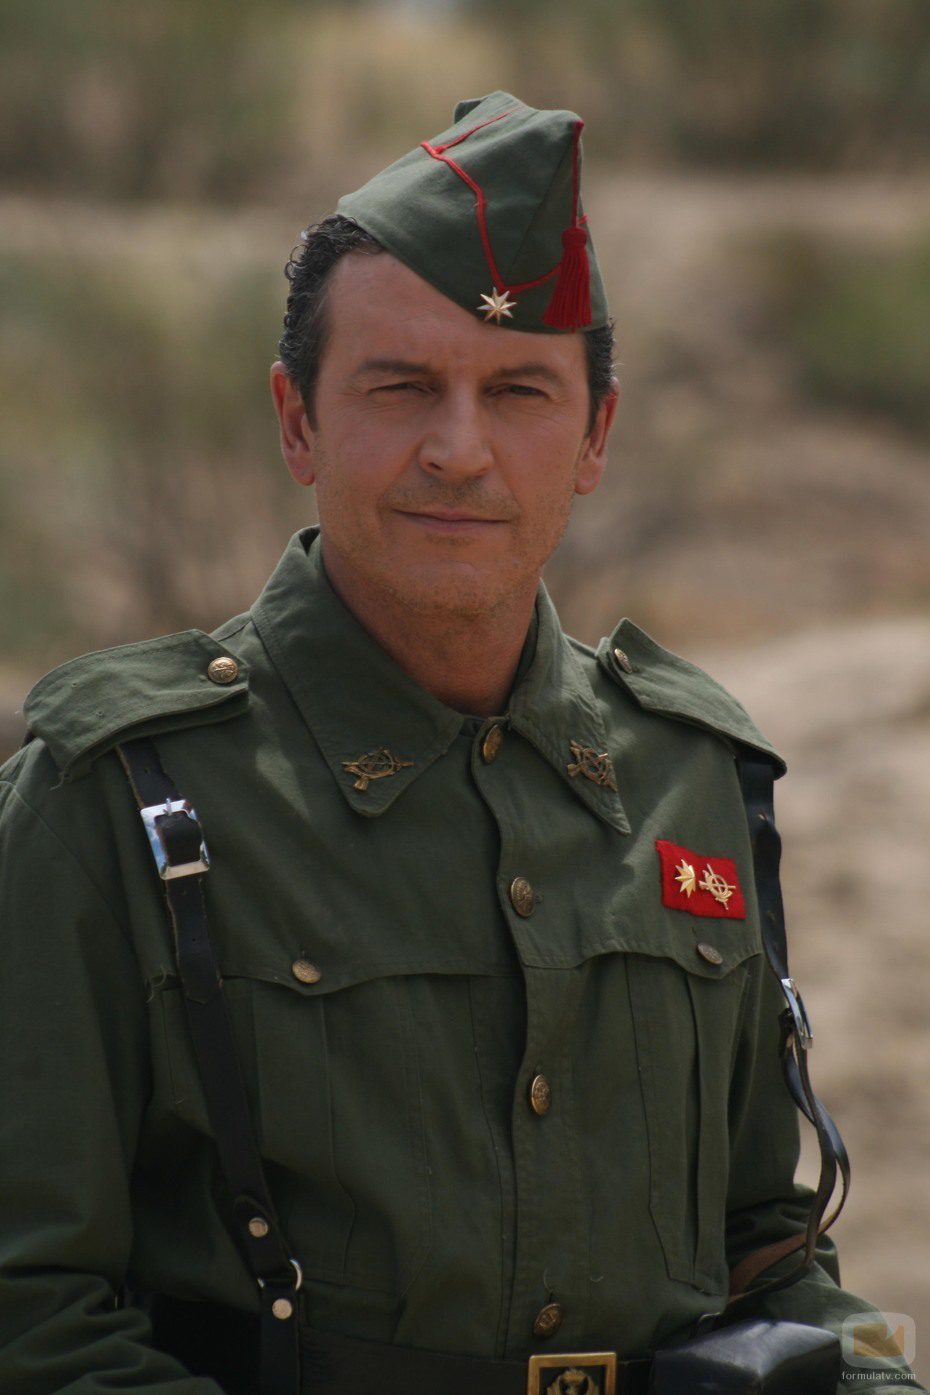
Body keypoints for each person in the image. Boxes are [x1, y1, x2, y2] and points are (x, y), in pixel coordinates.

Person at [0, 92, 922, 1395]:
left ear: (594, 436)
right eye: (400, 387)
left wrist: (884, 1377)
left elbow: (764, 1251)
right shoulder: (120, 796)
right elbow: (30, 1312)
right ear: (296, 420)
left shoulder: (692, 780)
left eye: (518, 391)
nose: (459, 449)